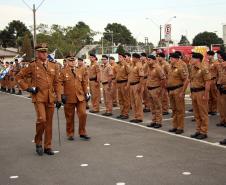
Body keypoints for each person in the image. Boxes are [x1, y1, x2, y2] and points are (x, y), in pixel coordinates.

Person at [16, 43, 61, 156]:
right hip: (39, 97)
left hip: (50, 97)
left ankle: (48, 146)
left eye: (46, 51)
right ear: (37, 53)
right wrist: (28, 88)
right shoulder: (32, 65)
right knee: (42, 120)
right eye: (42, 52)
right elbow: (19, 77)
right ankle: (38, 142)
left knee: (49, 123)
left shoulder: (53, 65)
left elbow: (57, 83)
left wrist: (59, 98)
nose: (44, 54)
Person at [59, 56, 90, 141]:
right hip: (69, 97)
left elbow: (84, 82)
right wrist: (62, 94)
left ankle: (82, 132)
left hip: (80, 96)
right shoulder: (62, 71)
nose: (73, 62)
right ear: (67, 61)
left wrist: (86, 92)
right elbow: (60, 84)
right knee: (69, 116)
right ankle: (70, 133)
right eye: (70, 61)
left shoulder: (79, 70)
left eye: (74, 61)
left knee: (83, 114)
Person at [190, 53, 211, 140]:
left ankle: (204, 131)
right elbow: (192, 81)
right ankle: (198, 130)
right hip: (194, 92)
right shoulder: (193, 68)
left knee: (203, 113)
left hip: (201, 92)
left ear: (198, 59)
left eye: (193, 58)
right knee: (196, 113)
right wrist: (191, 93)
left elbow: (208, 82)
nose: (191, 59)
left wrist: (206, 94)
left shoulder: (204, 68)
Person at [167, 53, 189, 134]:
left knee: (180, 110)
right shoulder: (170, 67)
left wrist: (183, 92)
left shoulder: (180, 67)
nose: (170, 60)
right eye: (170, 59)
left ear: (176, 59)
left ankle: (180, 127)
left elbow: (186, 80)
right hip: (171, 90)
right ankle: (175, 126)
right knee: (174, 109)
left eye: (172, 59)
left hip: (178, 90)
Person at [146, 55, 166, 128]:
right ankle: (154, 121)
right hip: (150, 89)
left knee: (158, 106)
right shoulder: (149, 68)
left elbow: (163, 79)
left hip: (156, 89)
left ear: (154, 60)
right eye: (148, 59)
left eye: (150, 59)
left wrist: (161, 89)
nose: (148, 61)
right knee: (152, 106)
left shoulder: (158, 68)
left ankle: (159, 122)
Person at [129, 53, 144, 123]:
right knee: (133, 102)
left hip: (137, 85)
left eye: (133, 58)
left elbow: (141, 77)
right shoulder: (132, 65)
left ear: (137, 58)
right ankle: (136, 116)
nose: (132, 59)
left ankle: (139, 117)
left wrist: (140, 86)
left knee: (138, 102)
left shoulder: (139, 65)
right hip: (132, 85)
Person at [115, 53, 131, 119]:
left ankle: (126, 113)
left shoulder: (126, 65)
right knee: (120, 99)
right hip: (119, 84)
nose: (119, 58)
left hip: (124, 83)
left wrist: (128, 84)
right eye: (118, 57)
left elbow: (129, 75)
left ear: (124, 58)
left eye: (120, 57)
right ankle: (122, 113)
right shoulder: (118, 65)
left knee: (126, 99)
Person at [205, 51, 219, 115]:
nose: (207, 56)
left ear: (212, 55)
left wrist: (217, 81)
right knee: (209, 96)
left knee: (214, 96)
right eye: (207, 55)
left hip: (213, 80)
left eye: (208, 55)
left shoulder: (216, 63)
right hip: (208, 81)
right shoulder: (207, 63)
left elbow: (219, 72)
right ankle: (209, 109)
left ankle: (214, 109)